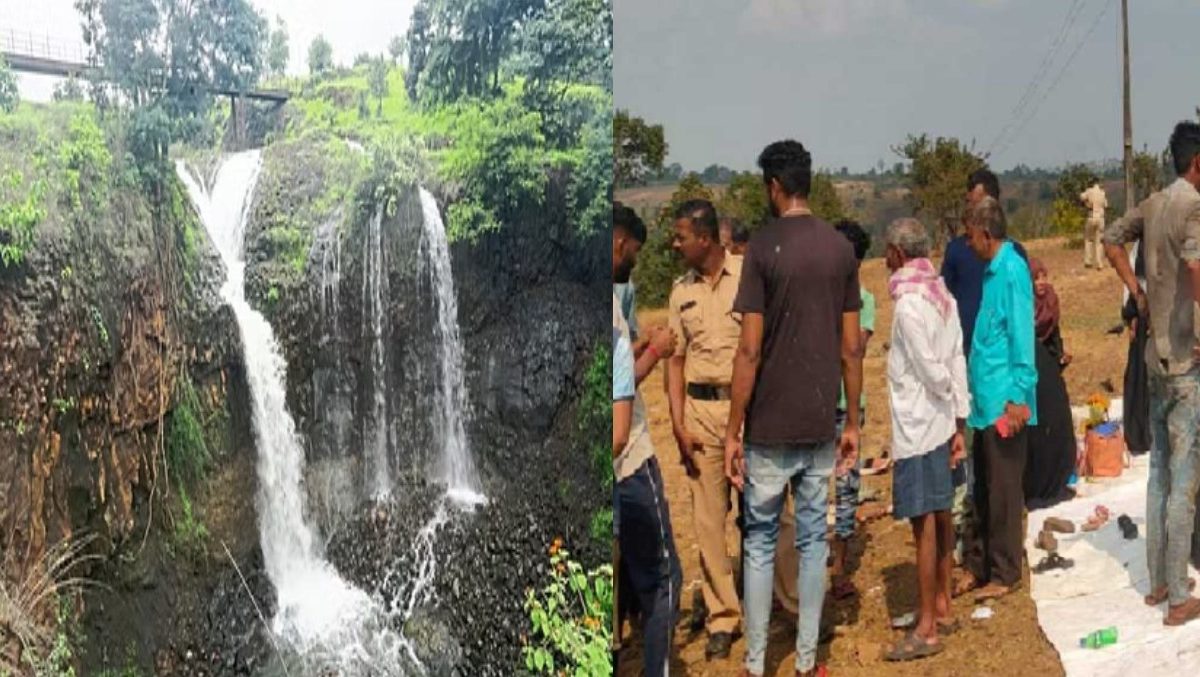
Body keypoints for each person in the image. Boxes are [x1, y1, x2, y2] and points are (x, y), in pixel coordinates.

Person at [724, 139, 861, 677]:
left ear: (775, 187)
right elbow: (852, 348)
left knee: (759, 542)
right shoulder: (840, 250)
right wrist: (853, 420)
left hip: (769, 425)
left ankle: (756, 663)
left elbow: (749, 350)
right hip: (819, 419)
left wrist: (733, 430)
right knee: (810, 540)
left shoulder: (761, 249)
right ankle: (807, 661)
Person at [1103, 120, 1200, 626]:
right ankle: (1179, 595)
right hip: (1185, 359)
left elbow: (1110, 238)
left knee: (1159, 470)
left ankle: (1158, 579)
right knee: (1184, 478)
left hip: (1153, 356)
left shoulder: (1154, 204)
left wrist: (1137, 293)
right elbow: (1196, 269)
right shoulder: (1192, 206)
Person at [774, 220, 876, 611]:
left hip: (845, 405)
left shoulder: (863, 300)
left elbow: (855, 348)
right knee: (810, 485)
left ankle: (840, 568)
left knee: (845, 485)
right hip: (812, 402)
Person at [879, 217, 968, 661]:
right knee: (941, 511)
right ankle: (942, 605)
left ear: (898, 253)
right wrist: (959, 419)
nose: (884, 259)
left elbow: (933, 369)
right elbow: (956, 357)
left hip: (918, 426)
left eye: (887, 251)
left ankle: (927, 628)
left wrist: (947, 398)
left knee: (925, 522)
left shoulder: (910, 304)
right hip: (939, 422)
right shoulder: (942, 295)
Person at [666, 199, 743, 659]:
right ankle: (723, 617)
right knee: (709, 523)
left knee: (768, 512)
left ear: (705, 238)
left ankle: (785, 603)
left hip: (747, 413)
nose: (675, 245)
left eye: (681, 237)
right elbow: (675, 362)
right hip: (699, 414)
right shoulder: (680, 293)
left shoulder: (749, 277)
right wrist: (677, 424)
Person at [612, 203, 683, 675]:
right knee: (663, 578)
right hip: (630, 465)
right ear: (620, 243)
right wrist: (655, 351)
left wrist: (636, 347)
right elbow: (620, 412)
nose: (633, 261)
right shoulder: (612, 313)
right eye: (633, 251)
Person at [959, 196, 1037, 601]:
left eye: (970, 235)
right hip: (984, 402)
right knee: (983, 488)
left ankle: (1005, 572)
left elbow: (1022, 336)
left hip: (1005, 402)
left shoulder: (1011, 271)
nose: (967, 243)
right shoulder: (991, 272)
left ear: (986, 234)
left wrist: (1018, 396)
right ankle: (979, 564)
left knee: (1004, 490)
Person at [1023, 259, 1077, 510]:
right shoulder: (1023, 305)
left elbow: (1054, 335)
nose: (1042, 282)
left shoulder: (1050, 301)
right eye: (1036, 278)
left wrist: (1060, 357)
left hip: (1048, 365)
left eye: (1044, 276)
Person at [1121, 241, 1151, 455]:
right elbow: (1130, 278)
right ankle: (1141, 432)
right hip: (1143, 314)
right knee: (1140, 375)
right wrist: (1131, 315)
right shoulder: (1141, 246)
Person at [1081, 182, 1108, 269]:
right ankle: (1099, 263)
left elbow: (1081, 197)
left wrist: (1087, 202)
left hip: (1091, 216)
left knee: (1088, 239)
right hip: (1101, 218)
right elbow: (1106, 205)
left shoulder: (1089, 191)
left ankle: (1088, 261)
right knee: (1099, 242)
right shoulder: (1102, 193)